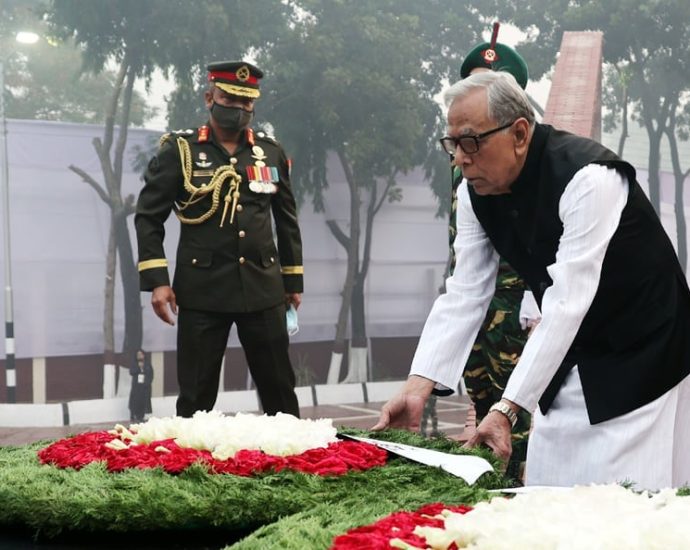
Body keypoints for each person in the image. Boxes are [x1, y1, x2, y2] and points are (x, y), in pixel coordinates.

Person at [374, 70, 690, 490]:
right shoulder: (473, 193)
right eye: (453, 144)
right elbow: (465, 292)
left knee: (624, 495)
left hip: (644, 350)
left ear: (520, 133)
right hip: (572, 351)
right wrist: (417, 387)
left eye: (471, 142)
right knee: (549, 483)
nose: (460, 159)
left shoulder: (589, 178)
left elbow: (566, 302)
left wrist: (507, 409)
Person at [135, 61, 303, 418]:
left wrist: (292, 281)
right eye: (230, 99)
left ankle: (293, 452)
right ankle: (191, 454)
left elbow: (286, 220)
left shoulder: (269, 152)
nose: (238, 108)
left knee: (280, 394)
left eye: (246, 102)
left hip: (263, 289)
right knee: (195, 400)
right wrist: (158, 282)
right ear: (209, 98)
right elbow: (149, 217)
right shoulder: (180, 150)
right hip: (202, 291)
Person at [446, 24, 539, 480]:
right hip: (477, 302)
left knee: (515, 409)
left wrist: (535, 297)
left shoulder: (530, 160)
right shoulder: (461, 161)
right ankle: (490, 486)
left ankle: (519, 486)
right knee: (482, 395)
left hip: (516, 302)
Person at [129, 349, 153, 422]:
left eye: (141, 354)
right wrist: (139, 367)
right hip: (136, 387)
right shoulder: (134, 363)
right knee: (135, 401)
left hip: (145, 387)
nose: (140, 356)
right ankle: (134, 416)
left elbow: (151, 374)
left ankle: (141, 417)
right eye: (138, 355)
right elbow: (131, 372)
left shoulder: (147, 364)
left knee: (143, 402)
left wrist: (147, 383)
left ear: (144, 355)